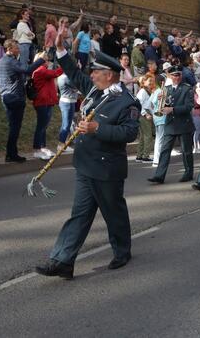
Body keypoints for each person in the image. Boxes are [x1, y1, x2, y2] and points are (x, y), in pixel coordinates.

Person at [35, 29, 140, 280]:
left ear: (110, 75)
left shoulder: (127, 102)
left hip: (106, 168)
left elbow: (129, 133)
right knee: (79, 215)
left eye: (96, 72)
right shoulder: (94, 90)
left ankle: (122, 250)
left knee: (113, 212)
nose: (90, 75)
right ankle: (63, 260)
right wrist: (60, 49)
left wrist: (98, 128)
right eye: (92, 71)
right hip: (85, 165)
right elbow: (73, 72)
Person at [0, 40, 46, 162]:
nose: (19, 50)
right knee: (15, 128)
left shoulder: (0, 62)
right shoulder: (11, 61)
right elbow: (27, 69)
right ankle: (11, 155)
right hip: (15, 98)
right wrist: (41, 60)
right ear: (10, 49)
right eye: (16, 48)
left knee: (13, 126)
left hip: (5, 96)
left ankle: (11, 154)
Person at [147, 66, 195, 184]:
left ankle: (188, 173)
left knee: (186, 151)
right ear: (170, 76)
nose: (176, 77)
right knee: (165, 150)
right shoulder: (166, 89)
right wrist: (161, 100)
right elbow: (165, 105)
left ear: (181, 76)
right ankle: (159, 175)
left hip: (184, 123)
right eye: (174, 75)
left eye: (178, 75)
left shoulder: (187, 88)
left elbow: (189, 107)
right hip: (170, 123)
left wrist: (172, 109)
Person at [32, 55, 64, 160]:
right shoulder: (40, 70)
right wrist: (64, 65)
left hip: (47, 102)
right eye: (46, 60)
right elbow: (55, 73)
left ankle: (43, 147)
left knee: (44, 126)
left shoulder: (44, 70)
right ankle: (37, 149)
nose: (48, 61)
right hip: (42, 102)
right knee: (41, 126)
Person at [56, 72, 80, 153]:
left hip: (66, 101)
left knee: (65, 124)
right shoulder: (66, 77)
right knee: (66, 125)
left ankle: (62, 144)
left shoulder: (61, 77)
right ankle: (61, 145)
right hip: (68, 102)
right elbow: (76, 86)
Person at [135, 75, 155, 162]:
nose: (150, 82)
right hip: (143, 115)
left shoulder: (147, 91)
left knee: (143, 136)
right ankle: (145, 156)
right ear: (143, 82)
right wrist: (145, 114)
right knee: (148, 136)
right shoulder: (142, 91)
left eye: (151, 81)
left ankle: (139, 156)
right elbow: (139, 105)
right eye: (149, 81)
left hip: (146, 114)